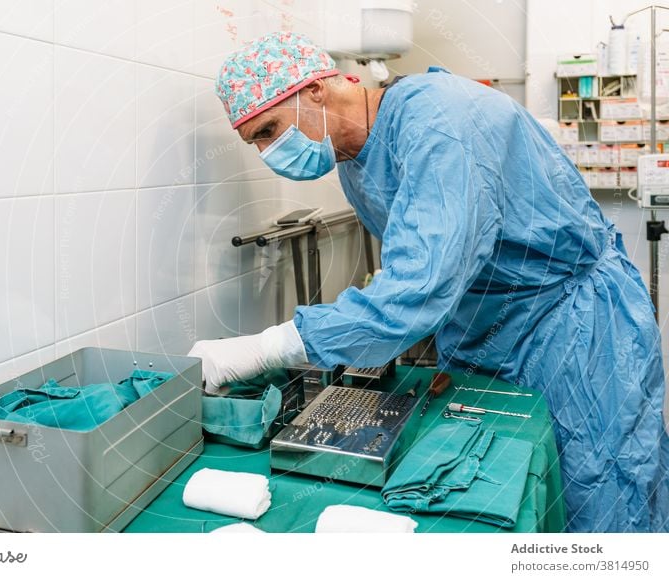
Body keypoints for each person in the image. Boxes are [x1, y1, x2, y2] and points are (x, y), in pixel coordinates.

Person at [188, 31, 669, 533]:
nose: (268, 152)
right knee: (501, 484)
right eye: (256, 143)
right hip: (483, 327)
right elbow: (422, 262)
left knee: (596, 488)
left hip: (569, 327)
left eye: (269, 130)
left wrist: (266, 347)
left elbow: (419, 286)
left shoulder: (440, 122)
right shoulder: (355, 155)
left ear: (314, 90)